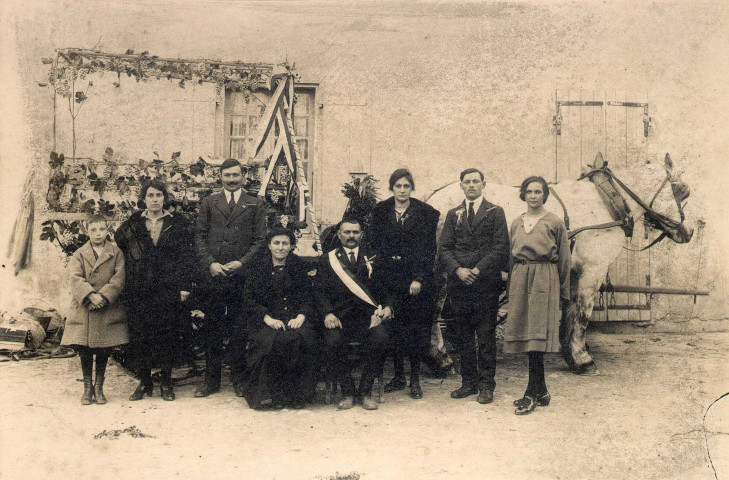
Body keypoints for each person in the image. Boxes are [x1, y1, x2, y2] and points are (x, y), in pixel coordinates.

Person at [194, 158, 267, 397]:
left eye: (236, 175)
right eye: (227, 176)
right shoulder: (208, 202)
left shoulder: (255, 204)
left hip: (241, 276)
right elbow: (199, 237)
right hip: (214, 276)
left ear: (243, 177)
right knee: (211, 328)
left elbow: (260, 240)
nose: (232, 180)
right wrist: (211, 263)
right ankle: (211, 380)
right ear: (220, 178)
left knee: (239, 328)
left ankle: (239, 378)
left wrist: (242, 262)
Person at [115, 179, 193, 401]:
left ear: (165, 199)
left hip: (167, 287)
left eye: (159, 195)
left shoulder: (177, 223)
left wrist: (185, 287)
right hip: (139, 288)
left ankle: (166, 382)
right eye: (150, 195)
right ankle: (145, 382)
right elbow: (119, 241)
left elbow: (187, 258)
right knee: (141, 334)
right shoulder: (134, 223)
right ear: (144, 199)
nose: (155, 199)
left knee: (166, 334)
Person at [438, 168, 510, 404]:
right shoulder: (452, 214)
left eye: (475, 181)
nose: (471, 185)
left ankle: (486, 385)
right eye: (467, 182)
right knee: (463, 336)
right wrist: (458, 270)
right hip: (459, 285)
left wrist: (477, 270)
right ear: (461, 185)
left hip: (484, 284)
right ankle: (468, 382)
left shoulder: (495, 212)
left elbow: (500, 247)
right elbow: (444, 248)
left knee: (486, 336)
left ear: (483, 184)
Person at [369, 168, 440, 399]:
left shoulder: (426, 213)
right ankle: (398, 376)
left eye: (406, 186)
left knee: (417, 328)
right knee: (394, 327)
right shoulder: (380, 211)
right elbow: (374, 245)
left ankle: (415, 380)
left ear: (412, 188)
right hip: (388, 278)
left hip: (415, 280)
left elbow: (429, 250)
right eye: (398, 186)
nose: (402, 190)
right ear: (392, 188)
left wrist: (419, 278)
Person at [504, 176, 570, 415]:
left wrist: (564, 292)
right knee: (525, 333)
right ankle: (541, 390)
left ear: (544, 195)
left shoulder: (554, 222)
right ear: (523, 195)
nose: (533, 196)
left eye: (538, 192)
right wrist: (512, 287)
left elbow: (564, 258)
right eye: (529, 192)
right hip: (521, 277)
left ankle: (531, 393)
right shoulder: (515, 222)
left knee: (537, 335)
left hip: (545, 277)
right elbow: (511, 258)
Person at [317, 217, 394, 410]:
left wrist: (388, 308)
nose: (351, 236)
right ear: (339, 234)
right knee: (332, 342)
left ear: (361, 234)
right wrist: (327, 314)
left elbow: (388, 289)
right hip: (339, 318)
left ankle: (365, 392)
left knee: (381, 339)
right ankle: (348, 391)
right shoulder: (329, 259)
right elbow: (318, 291)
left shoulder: (374, 258)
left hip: (369, 318)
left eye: (355, 232)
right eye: (347, 232)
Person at [239, 227, 317, 410]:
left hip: (294, 319)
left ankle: (297, 395)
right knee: (272, 342)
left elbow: (308, 295)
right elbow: (249, 299)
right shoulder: (258, 267)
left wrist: (301, 316)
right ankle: (273, 395)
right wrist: (267, 318)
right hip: (265, 319)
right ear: (269, 245)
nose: (280, 247)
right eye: (276, 243)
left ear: (291, 246)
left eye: (285, 243)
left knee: (299, 339)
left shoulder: (298, 266)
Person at [62, 214, 127, 405]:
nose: (98, 234)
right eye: (93, 230)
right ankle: (87, 388)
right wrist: (90, 295)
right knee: (85, 349)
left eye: (102, 229)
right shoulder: (79, 254)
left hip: (106, 307)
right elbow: (75, 278)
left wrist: (104, 296)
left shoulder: (116, 253)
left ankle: (99, 388)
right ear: (86, 231)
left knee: (104, 348)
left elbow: (119, 278)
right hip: (85, 307)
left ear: (108, 230)